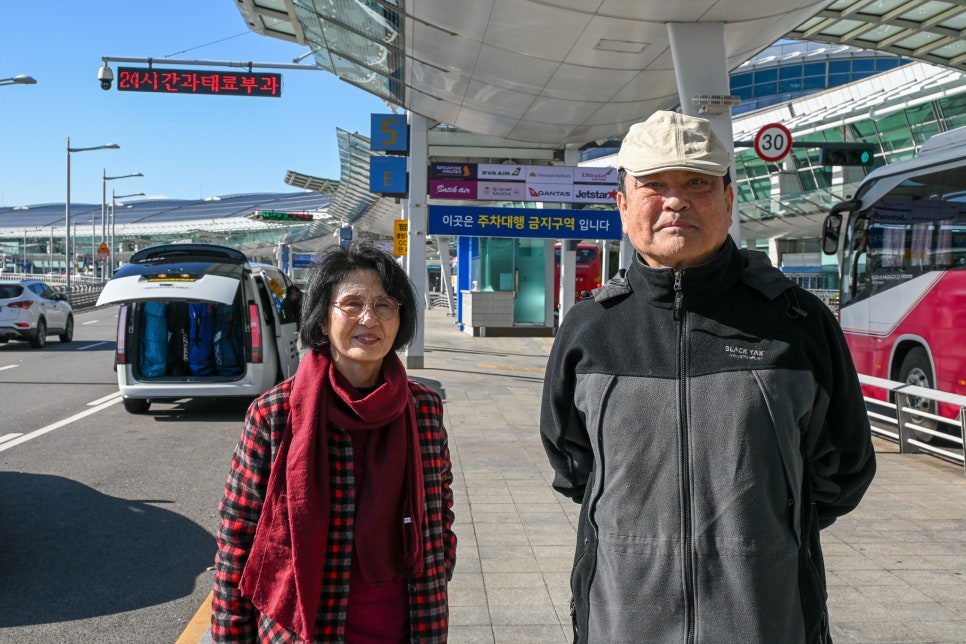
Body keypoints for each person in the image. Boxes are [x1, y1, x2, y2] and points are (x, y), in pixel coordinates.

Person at [540, 110, 876, 644]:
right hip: (621, 619)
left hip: (768, 617)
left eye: (696, 182)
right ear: (622, 204)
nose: (675, 201)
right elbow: (573, 465)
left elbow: (843, 469)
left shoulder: (797, 322)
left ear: (728, 198)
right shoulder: (590, 329)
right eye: (654, 185)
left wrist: (760, 532)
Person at [212, 241, 456, 643]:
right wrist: (230, 636)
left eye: (384, 305)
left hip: (410, 623)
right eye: (352, 303)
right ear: (324, 320)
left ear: (400, 319)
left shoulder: (423, 408)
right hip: (304, 628)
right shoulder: (275, 415)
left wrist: (439, 558)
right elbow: (237, 538)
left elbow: (438, 505)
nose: (369, 318)